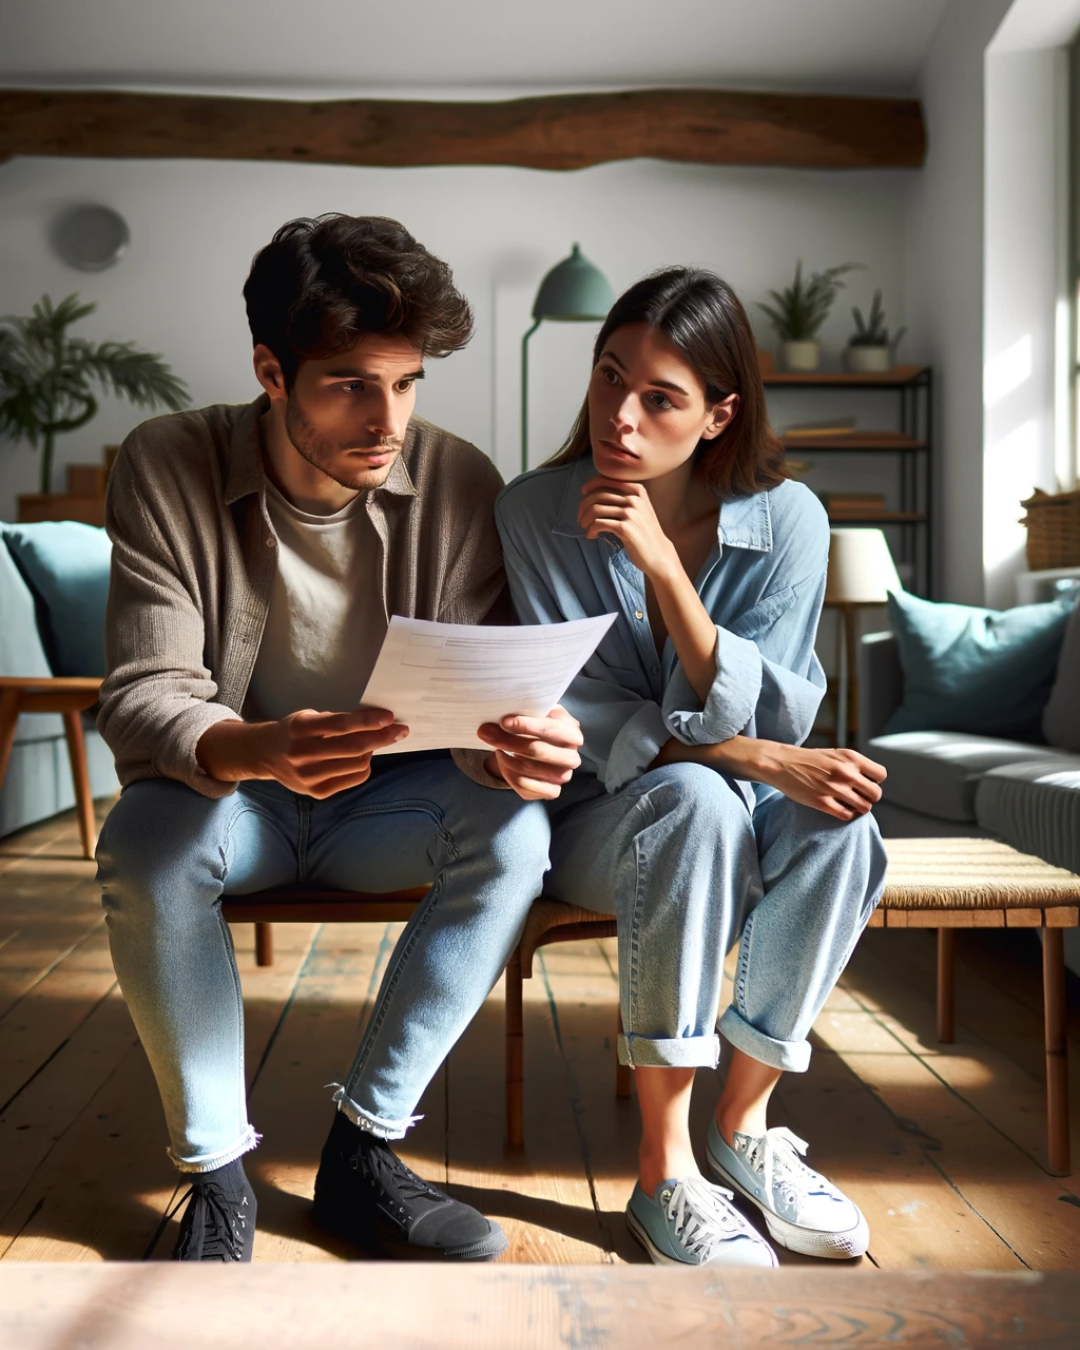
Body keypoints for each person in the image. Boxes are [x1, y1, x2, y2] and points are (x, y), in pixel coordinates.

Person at [95, 214, 583, 1263]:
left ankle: (365, 1153)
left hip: (390, 808)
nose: (388, 418)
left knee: (516, 835)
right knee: (141, 845)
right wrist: (256, 748)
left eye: (407, 384)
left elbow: (473, 701)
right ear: (272, 371)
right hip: (237, 803)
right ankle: (217, 1176)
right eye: (351, 385)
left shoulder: (457, 481)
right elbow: (141, 694)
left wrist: (514, 746)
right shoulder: (166, 462)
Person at [495, 267, 889, 1268]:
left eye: (658, 398)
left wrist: (665, 568)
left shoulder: (790, 519)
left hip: (738, 802)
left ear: (718, 416)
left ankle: (744, 1126)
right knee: (694, 800)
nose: (618, 417)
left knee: (845, 822)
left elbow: (771, 707)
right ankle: (666, 1169)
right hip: (598, 821)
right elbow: (575, 713)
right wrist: (753, 754)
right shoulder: (535, 511)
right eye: (608, 378)